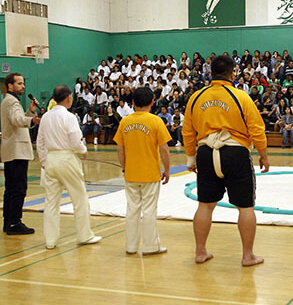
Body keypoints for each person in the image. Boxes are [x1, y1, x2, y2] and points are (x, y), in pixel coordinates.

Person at [182, 55, 269, 266]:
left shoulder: (196, 97)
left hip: (205, 152)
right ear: (233, 73)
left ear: (211, 73)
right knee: (246, 207)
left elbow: (187, 131)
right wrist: (263, 154)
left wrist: (191, 158)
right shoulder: (241, 96)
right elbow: (256, 128)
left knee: (205, 205)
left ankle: (200, 252)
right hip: (235, 152)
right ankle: (247, 256)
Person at [37, 85, 101, 249]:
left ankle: (50, 240)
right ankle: (84, 235)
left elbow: (40, 142)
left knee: (51, 202)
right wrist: (83, 151)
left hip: (51, 159)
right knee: (79, 198)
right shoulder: (69, 117)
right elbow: (75, 140)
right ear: (68, 98)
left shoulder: (45, 117)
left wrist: (44, 161)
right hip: (66, 158)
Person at [114, 87, 171, 255]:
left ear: (132, 103)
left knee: (132, 210)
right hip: (150, 174)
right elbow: (164, 149)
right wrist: (167, 170)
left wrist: (124, 167)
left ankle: (130, 247)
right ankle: (150, 246)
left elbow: (119, 148)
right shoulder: (156, 121)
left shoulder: (125, 122)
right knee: (149, 210)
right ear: (152, 102)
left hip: (131, 174)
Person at [1, 73, 40, 234]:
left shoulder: (8, 101)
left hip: (11, 149)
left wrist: (29, 112)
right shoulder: (11, 101)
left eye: (23, 83)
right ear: (10, 85)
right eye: (19, 83)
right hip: (17, 151)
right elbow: (18, 120)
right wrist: (32, 120)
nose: (23, 86)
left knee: (10, 188)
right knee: (18, 188)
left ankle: (8, 221)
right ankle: (15, 222)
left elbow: (16, 120)